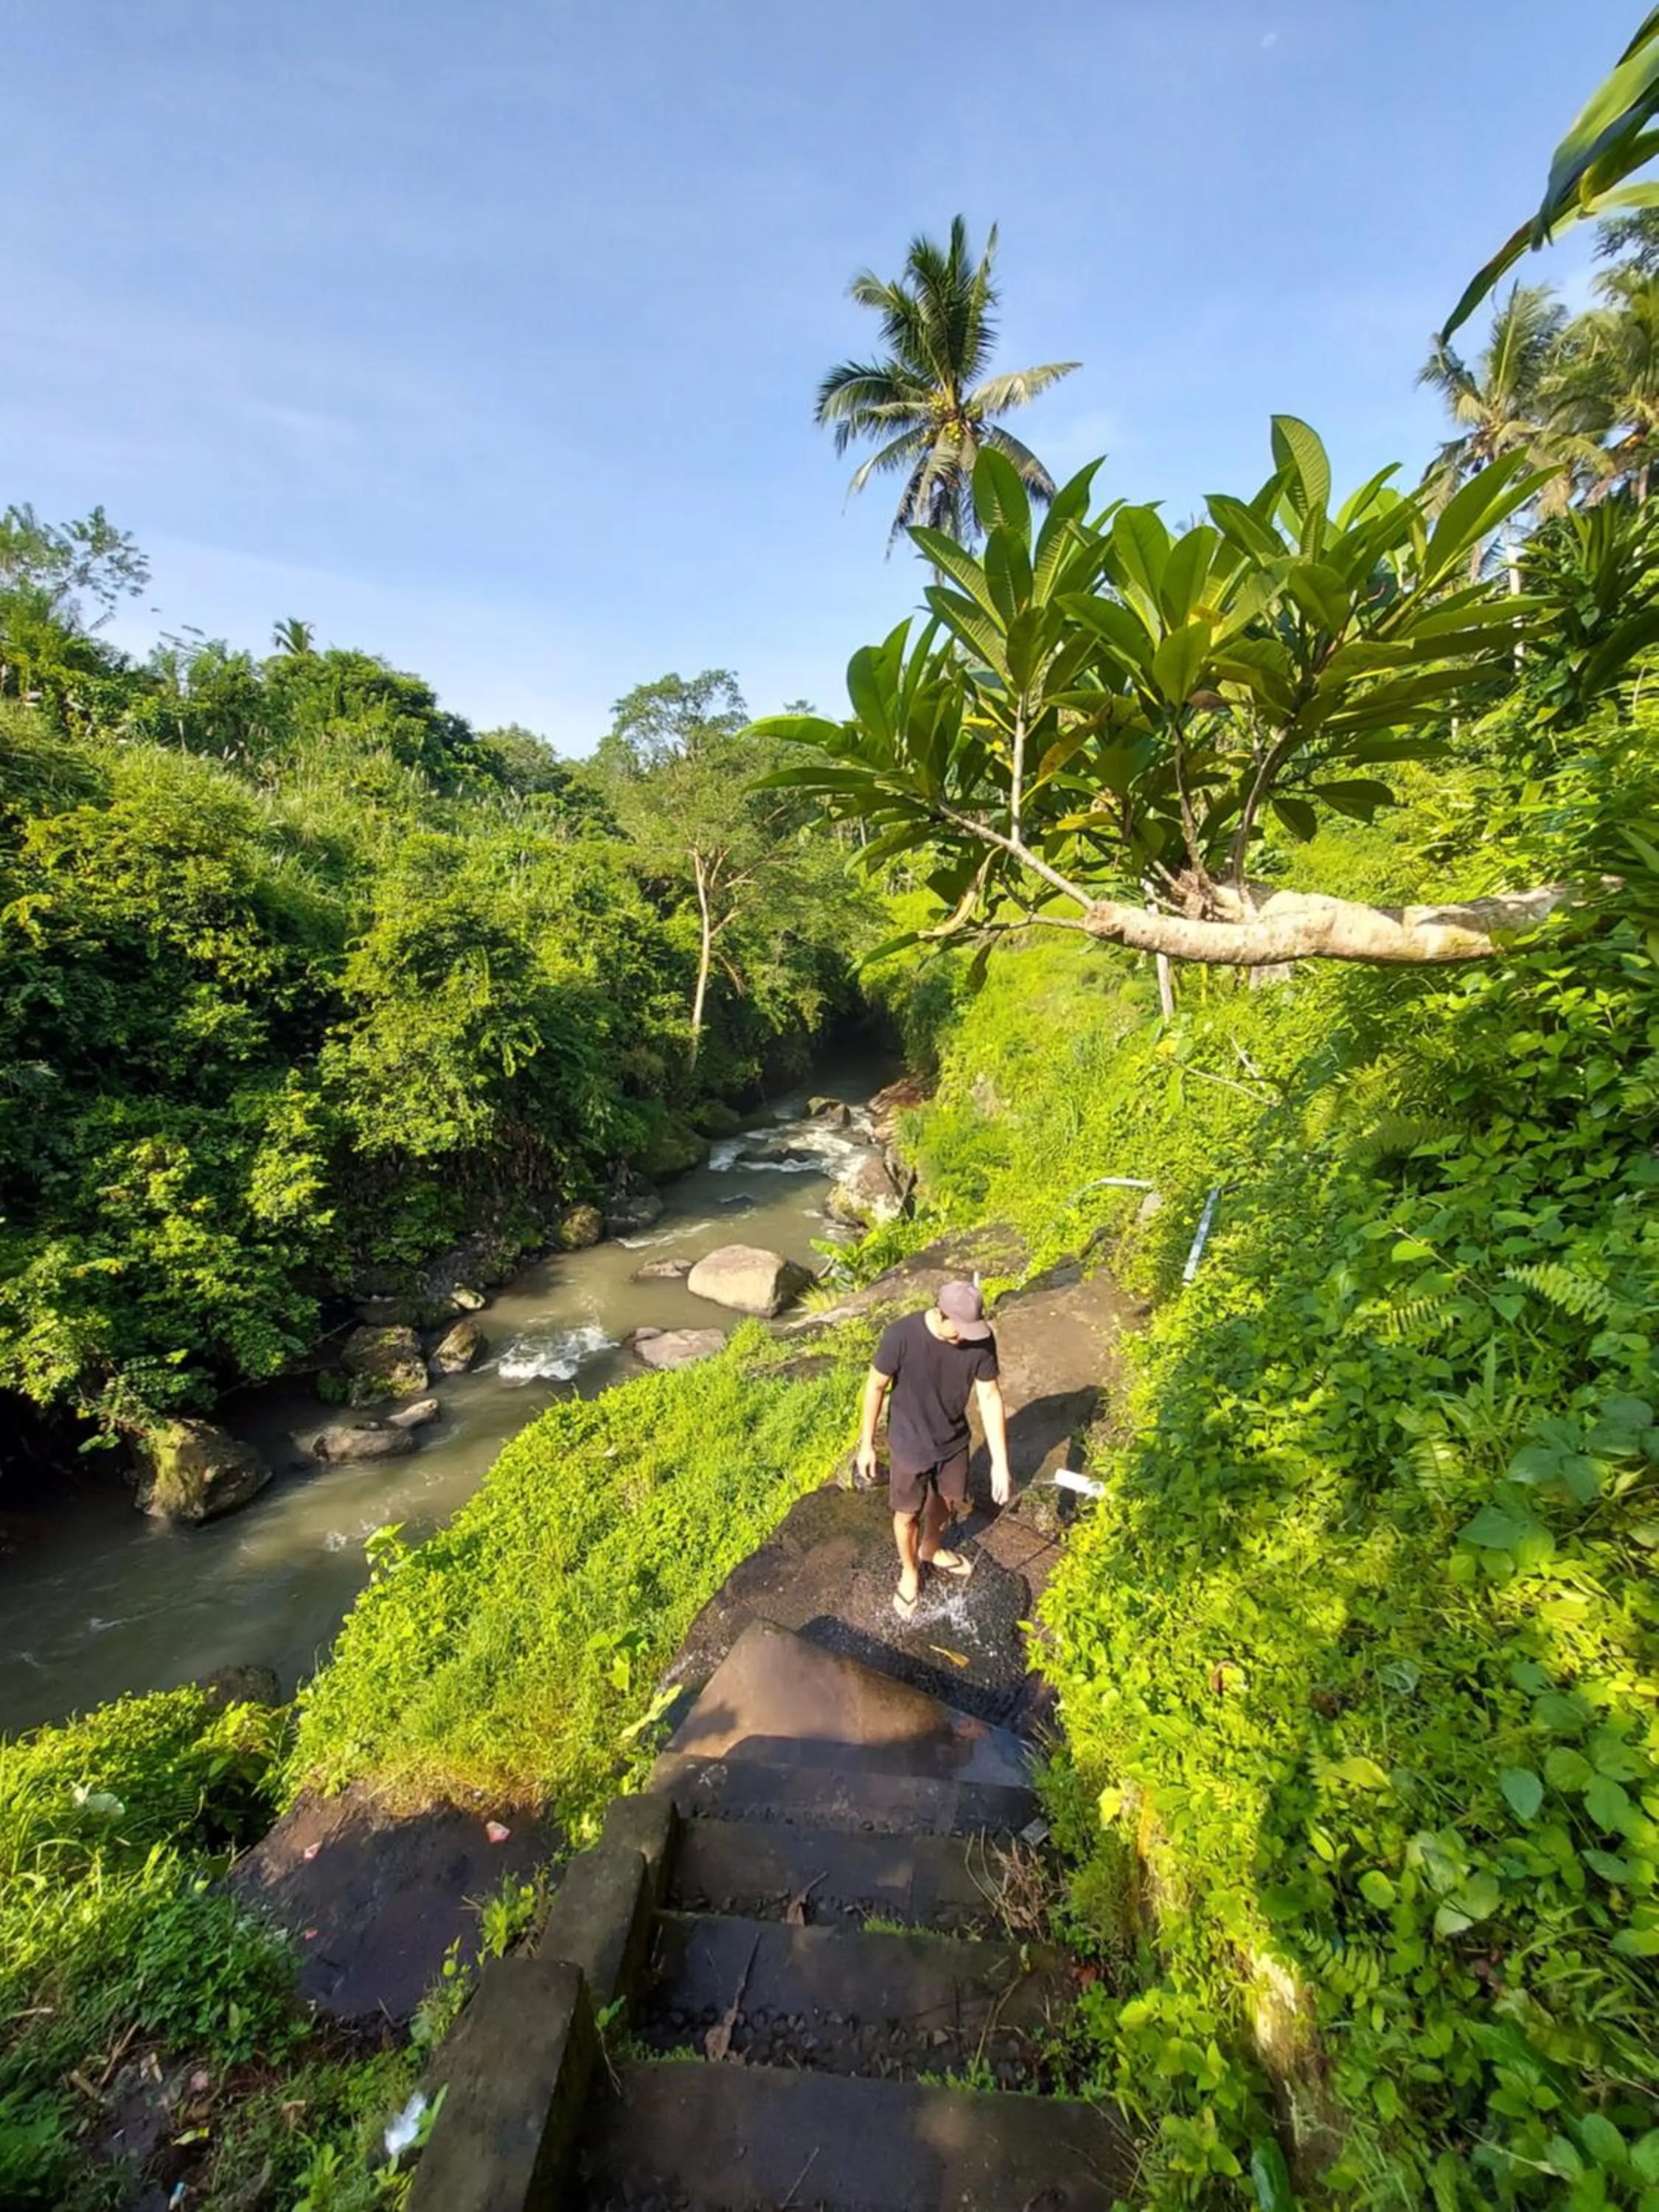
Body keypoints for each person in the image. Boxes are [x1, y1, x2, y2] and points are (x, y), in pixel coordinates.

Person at [855, 1279, 1014, 1618]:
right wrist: (866, 1445)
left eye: (972, 1330)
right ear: (939, 1313)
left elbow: (989, 1396)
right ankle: (910, 1571)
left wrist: (1000, 1462)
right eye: (959, 1328)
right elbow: (876, 1386)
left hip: (953, 1441)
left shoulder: (980, 1341)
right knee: (907, 1513)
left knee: (945, 1502)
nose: (966, 1338)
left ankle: (931, 1548)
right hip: (910, 1444)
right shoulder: (901, 1335)